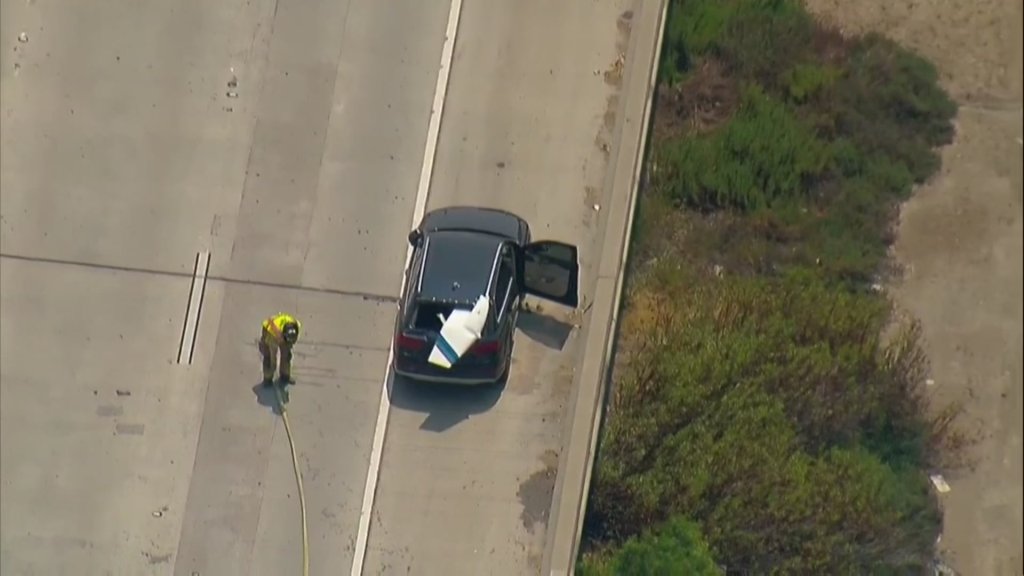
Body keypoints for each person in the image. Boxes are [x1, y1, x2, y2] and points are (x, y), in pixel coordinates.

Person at [260, 312, 301, 385]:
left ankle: (285, 375)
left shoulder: (297, 325)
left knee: (287, 354)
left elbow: (292, 340)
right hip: (270, 332)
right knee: (270, 357)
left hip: (282, 331)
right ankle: (268, 378)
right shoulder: (275, 330)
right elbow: (271, 322)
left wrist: (288, 344)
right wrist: (280, 339)